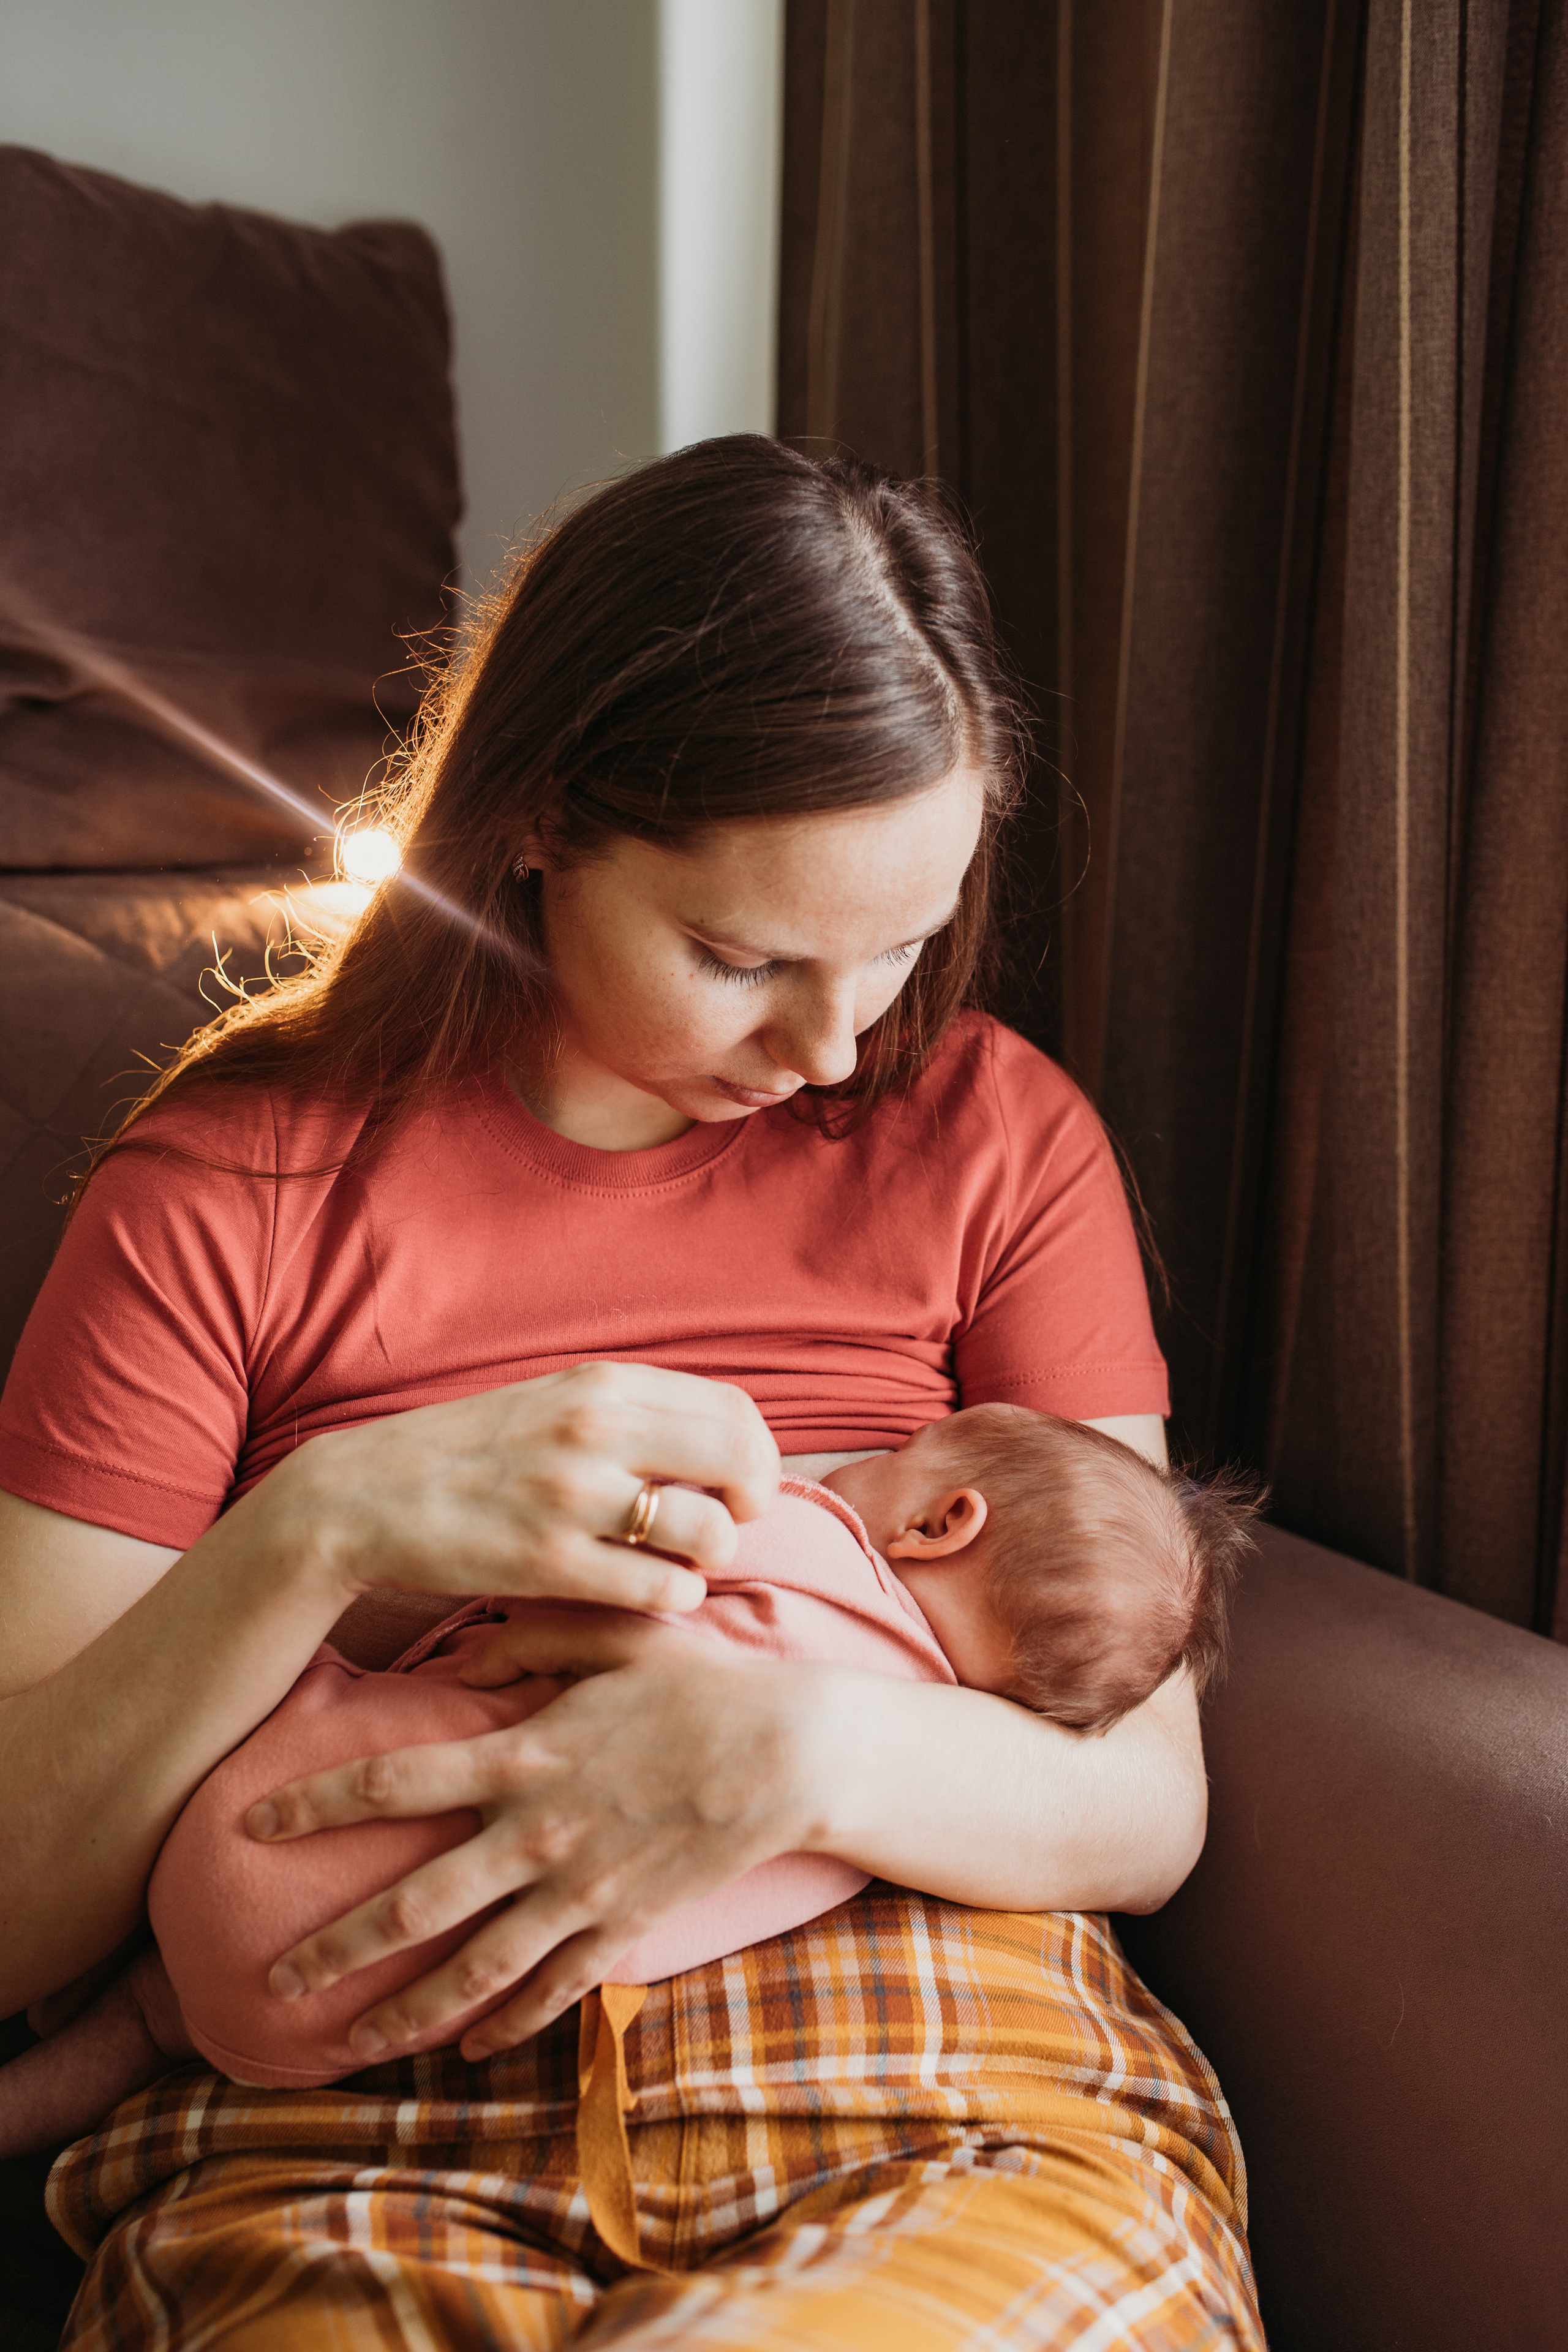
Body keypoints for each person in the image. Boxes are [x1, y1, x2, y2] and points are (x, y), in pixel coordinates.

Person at [0, 437, 1266, 2348]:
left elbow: (1143, 1797)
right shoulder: (222, 1194)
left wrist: (786, 1757)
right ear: (539, 823)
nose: (837, 1045)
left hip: (933, 2075)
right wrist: (317, 1529)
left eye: (905, 945)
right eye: (740, 957)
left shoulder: (996, 1138)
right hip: (354, 2109)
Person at [0, 1406, 1257, 2133]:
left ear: (941, 1522)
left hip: (257, 1818)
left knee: (169, 1979)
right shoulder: (939, 1759)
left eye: (914, 1444)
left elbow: (1153, 1815)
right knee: (180, 2022)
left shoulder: (805, 1528)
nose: (822, 1048)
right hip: (375, 2019)